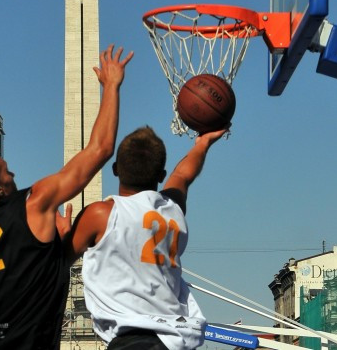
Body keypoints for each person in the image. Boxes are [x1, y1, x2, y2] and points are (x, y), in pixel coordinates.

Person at [0, 44, 133, 350]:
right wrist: (112, 87)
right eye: (7, 171)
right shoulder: (32, 203)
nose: (14, 175)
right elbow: (100, 149)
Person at [65, 125, 227, 350]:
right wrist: (203, 143)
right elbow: (182, 175)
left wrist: (62, 237)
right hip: (174, 339)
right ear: (161, 175)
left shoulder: (101, 214)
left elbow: (57, 262)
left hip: (131, 341)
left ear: (115, 169)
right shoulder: (172, 210)